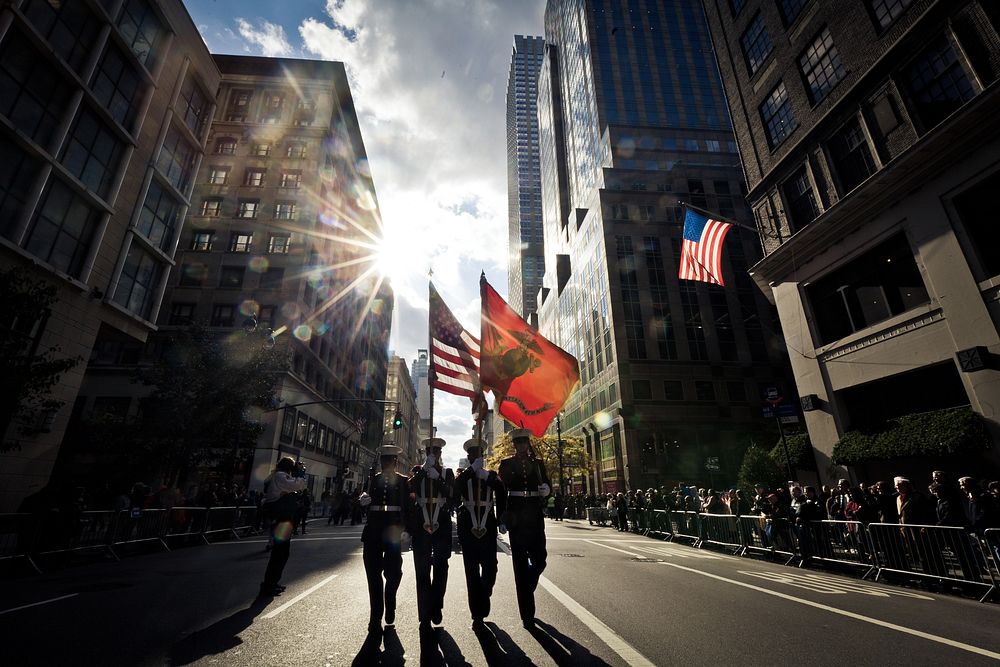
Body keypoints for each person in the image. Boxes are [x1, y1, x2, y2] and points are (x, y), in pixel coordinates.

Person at [497, 428, 551, 629]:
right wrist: (501, 518)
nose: (522, 446)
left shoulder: (538, 464)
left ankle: (527, 585)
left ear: (528, 444)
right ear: (514, 445)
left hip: (535, 516)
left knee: (540, 559)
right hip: (516, 517)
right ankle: (527, 614)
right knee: (520, 564)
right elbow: (503, 492)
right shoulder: (506, 464)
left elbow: (546, 483)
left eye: (524, 443)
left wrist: (547, 488)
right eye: (518, 443)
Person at [358, 444, 411, 634]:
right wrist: (363, 500)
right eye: (384, 460)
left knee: (394, 572)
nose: (386, 463)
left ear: (395, 462)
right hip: (373, 531)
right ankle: (375, 616)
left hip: (393, 530)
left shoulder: (404, 481)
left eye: (389, 460)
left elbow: (408, 507)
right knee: (373, 575)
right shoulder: (373, 479)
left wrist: (407, 529)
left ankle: (390, 602)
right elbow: (363, 500)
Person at [453, 437, 506, 629]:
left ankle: (485, 593)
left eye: (479, 454)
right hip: (468, 525)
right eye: (473, 455)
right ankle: (476, 613)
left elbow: (501, 491)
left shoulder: (490, 474)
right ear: (468, 457)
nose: (476, 457)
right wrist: (470, 471)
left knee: (491, 567)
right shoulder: (463, 474)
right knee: (472, 571)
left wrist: (501, 519)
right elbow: (455, 490)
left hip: (487, 525)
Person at [408, 436, 455, 631]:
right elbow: (410, 490)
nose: (433, 455)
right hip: (421, 524)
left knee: (441, 566)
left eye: (436, 452)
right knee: (422, 568)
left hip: (441, 524)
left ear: (440, 454)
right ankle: (424, 613)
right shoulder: (418, 472)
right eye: (429, 452)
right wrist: (423, 472)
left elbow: (452, 496)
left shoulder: (448, 472)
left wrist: (439, 478)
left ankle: (437, 604)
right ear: (425, 454)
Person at [259, 457, 307, 597]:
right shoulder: (281, 476)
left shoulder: (278, 476)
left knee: (281, 553)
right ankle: (269, 585)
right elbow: (299, 484)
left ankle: (272, 583)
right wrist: (300, 473)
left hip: (283, 518)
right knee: (280, 553)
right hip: (282, 518)